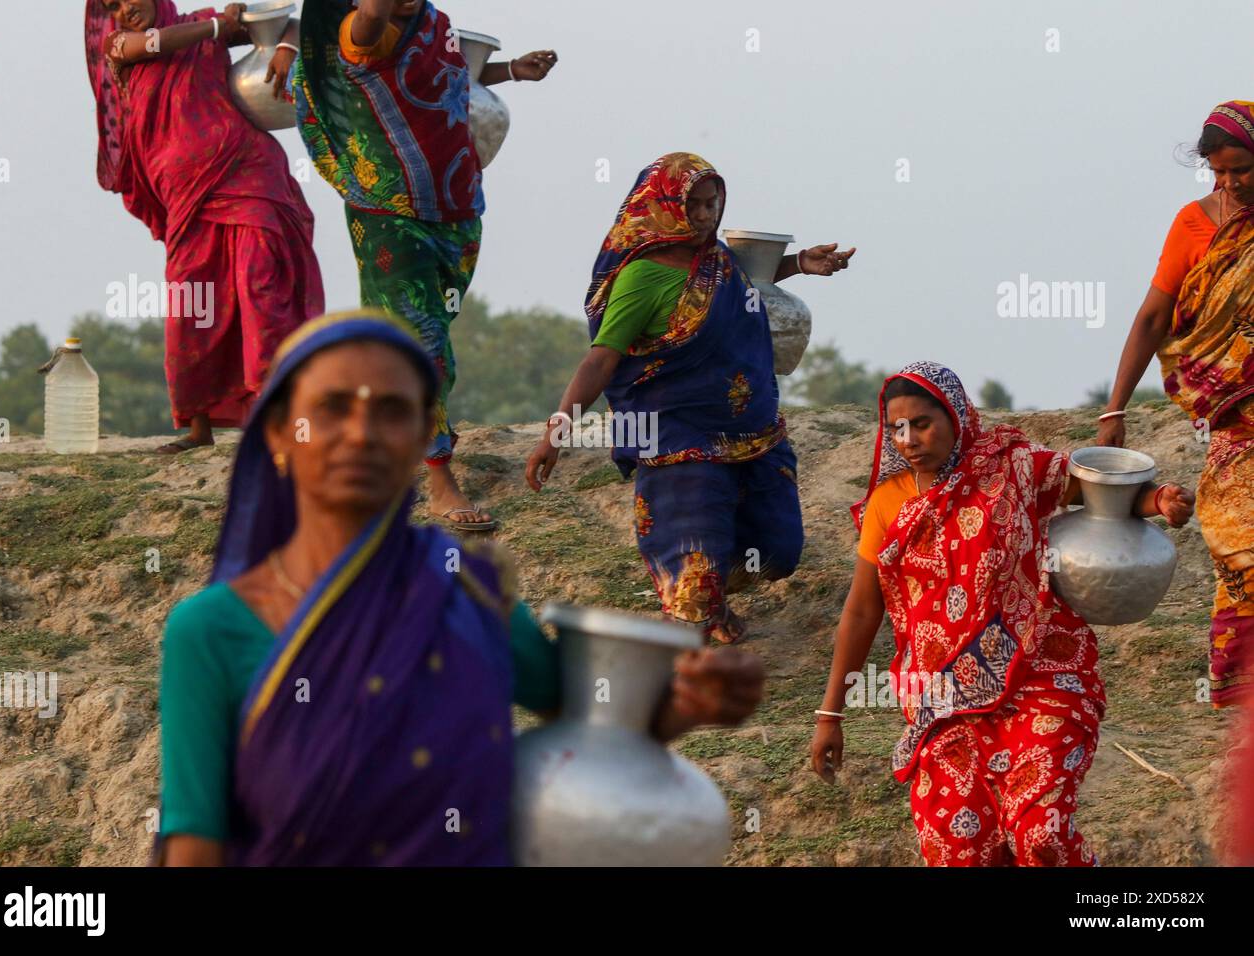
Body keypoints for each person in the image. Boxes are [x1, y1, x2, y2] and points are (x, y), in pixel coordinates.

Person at [157, 309, 766, 865]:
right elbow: (194, 842)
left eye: (392, 411)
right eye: (333, 408)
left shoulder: (466, 594)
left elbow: (598, 734)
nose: (362, 433)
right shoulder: (209, 631)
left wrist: (693, 703)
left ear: (426, 433)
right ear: (279, 433)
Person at [810, 362, 1194, 866]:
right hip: (942, 702)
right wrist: (830, 714)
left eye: (922, 423)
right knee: (961, 850)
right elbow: (862, 612)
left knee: (1041, 837)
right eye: (897, 427)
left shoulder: (1011, 466)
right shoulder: (887, 503)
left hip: (1042, 676)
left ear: (957, 416)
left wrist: (1158, 501)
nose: (908, 439)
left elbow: (1100, 497)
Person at [524, 152, 854, 644]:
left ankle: (715, 592)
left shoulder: (717, 261)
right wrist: (558, 431)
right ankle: (693, 631)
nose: (704, 216)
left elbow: (744, 284)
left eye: (711, 204)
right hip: (681, 439)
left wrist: (800, 265)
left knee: (779, 551)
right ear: (660, 207)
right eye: (693, 205)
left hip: (755, 434)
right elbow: (600, 360)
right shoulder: (641, 278)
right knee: (694, 584)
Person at [293, 0, 557, 531]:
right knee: (423, 343)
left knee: (418, 336)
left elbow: (446, 76)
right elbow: (367, 32)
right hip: (390, 213)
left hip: (456, 208)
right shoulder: (360, 27)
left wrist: (512, 72)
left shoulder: (433, 23)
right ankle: (439, 479)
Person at [85, 0, 324, 453]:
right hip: (185, 195)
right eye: (112, 7)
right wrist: (218, 27)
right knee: (194, 299)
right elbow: (153, 44)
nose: (124, 11)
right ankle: (199, 427)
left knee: (262, 289)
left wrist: (287, 49)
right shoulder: (119, 45)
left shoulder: (202, 28)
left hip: (249, 174)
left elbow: (290, 21)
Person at [1097, 100, 1254, 709]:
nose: (1229, 184)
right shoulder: (1193, 224)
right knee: (1239, 543)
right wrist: (1114, 409)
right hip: (1236, 424)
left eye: (1240, 169)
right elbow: (1155, 315)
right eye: (1218, 173)